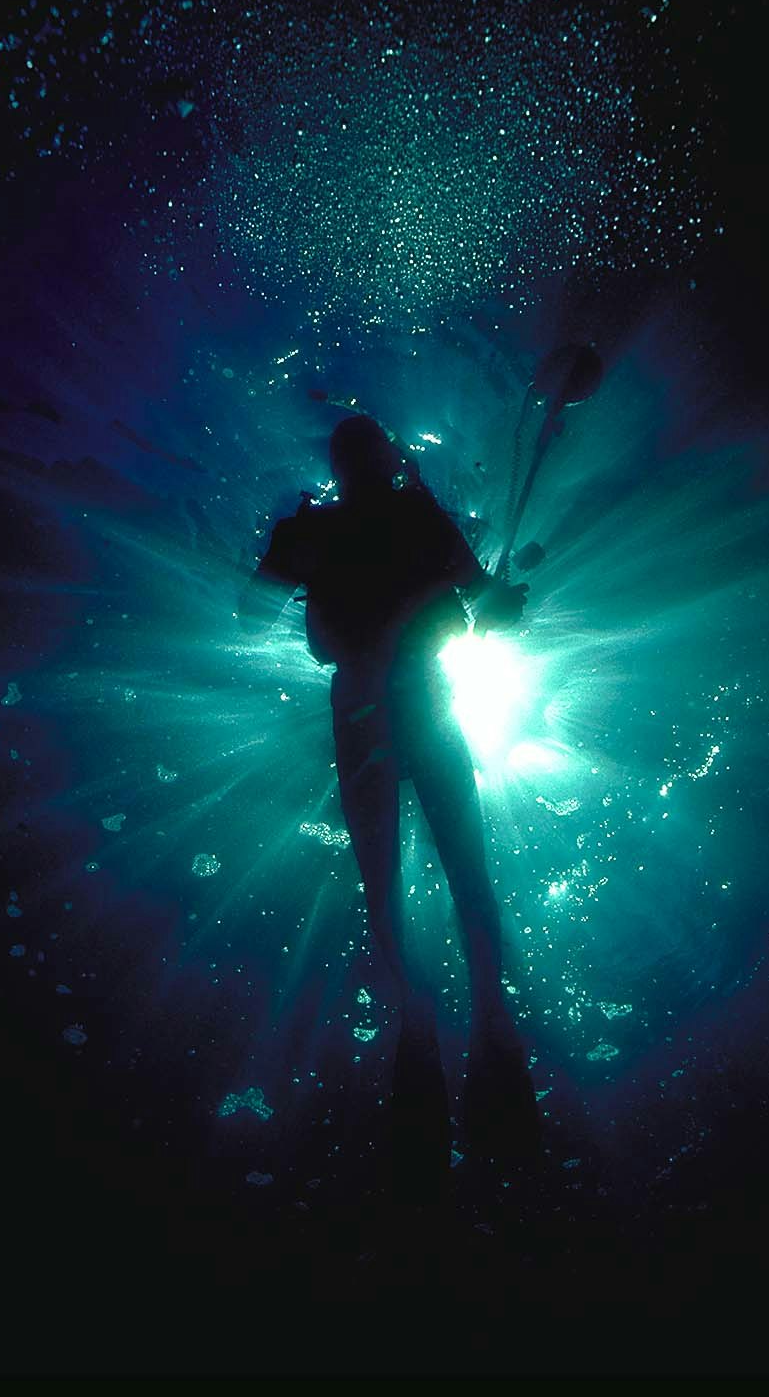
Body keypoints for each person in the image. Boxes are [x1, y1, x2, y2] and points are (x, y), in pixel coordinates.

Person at [238, 414, 538, 1165]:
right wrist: (497, 605)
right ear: (381, 458)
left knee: (390, 878)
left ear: (342, 466)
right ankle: (484, 1019)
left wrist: (289, 552)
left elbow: (250, 616)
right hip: (419, 695)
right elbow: (485, 601)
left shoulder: (336, 525)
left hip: (368, 702)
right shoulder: (417, 515)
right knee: (461, 868)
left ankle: (424, 1022)